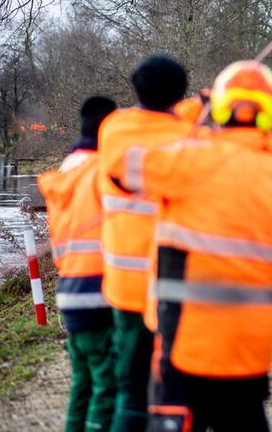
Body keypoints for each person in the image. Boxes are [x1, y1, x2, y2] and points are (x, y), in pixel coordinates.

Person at [108, 60, 272, 431]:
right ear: (271, 111)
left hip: (181, 349)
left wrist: (190, 112)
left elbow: (119, 166)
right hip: (248, 353)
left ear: (221, 107)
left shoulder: (188, 160)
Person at [96, 54, 196, 432]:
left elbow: (152, 125)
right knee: (174, 386)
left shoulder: (112, 129)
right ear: (179, 93)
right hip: (174, 285)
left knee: (131, 386)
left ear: (134, 89)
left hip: (124, 283)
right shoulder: (189, 137)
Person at [38, 96, 118, 432]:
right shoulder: (102, 172)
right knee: (107, 383)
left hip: (69, 291)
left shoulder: (67, 171)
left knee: (82, 382)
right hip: (99, 292)